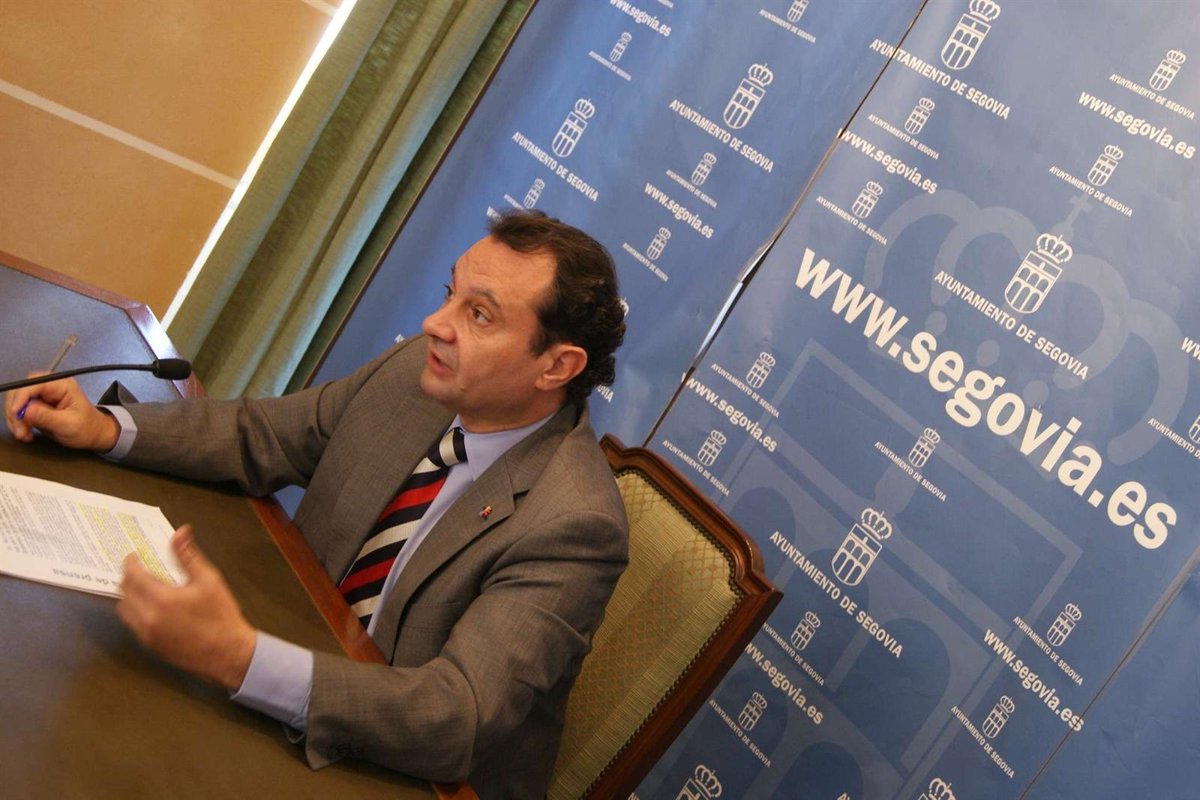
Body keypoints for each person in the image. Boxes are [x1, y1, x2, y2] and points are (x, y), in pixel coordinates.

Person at [4, 210, 629, 799]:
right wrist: (106, 428)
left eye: (480, 315)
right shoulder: (418, 373)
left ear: (556, 366)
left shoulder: (574, 523)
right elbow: (267, 436)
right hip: (299, 668)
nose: (436, 324)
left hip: (402, 775)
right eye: (450, 294)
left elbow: (455, 718)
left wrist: (238, 657)